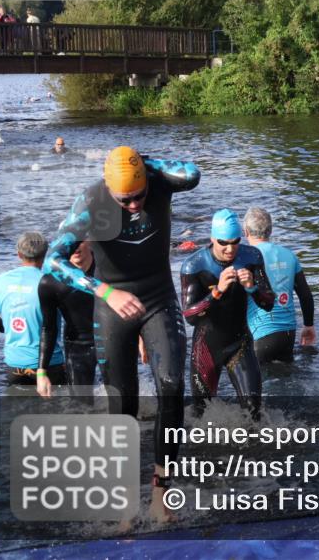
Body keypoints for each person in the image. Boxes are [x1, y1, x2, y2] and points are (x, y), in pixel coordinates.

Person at [44, 146, 200, 522]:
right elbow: (53, 260)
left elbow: (192, 173)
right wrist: (104, 291)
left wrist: (147, 165)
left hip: (158, 297)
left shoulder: (159, 181)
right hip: (112, 303)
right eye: (125, 200)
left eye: (139, 197)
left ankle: (162, 487)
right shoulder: (92, 201)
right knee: (122, 403)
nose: (134, 206)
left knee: (171, 384)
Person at [181, 209, 274, 420]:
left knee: (254, 412)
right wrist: (217, 291)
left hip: (239, 344)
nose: (230, 248)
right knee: (201, 415)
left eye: (235, 241)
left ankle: (254, 453)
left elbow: (268, 303)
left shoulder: (251, 256)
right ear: (213, 238)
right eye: (223, 243)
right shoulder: (194, 265)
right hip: (206, 348)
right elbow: (190, 316)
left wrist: (252, 287)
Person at [0, 232, 67, 387]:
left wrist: (11, 330)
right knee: (57, 408)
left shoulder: (2, 280)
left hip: (15, 365)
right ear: (45, 254)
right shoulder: (52, 281)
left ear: (19, 254)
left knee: (19, 409)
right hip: (50, 363)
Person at [243, 207, 316, 363]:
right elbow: (305, 295)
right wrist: (308, 326)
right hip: (288, 335)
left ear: (246, 231)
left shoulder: (245, 257)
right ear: (270, 230)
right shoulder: (289, 255)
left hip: (259, 336)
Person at [37, 240, 96, 399]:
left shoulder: (108, 270)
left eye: (79, 241)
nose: (74, 247)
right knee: (81, 403)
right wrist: (41, 372)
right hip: (78, 343)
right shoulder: (50, 282)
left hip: (112, 340)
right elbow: (48, 328)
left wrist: (140, 336)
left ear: (90, 241)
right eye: (68, 242)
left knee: (122, 398)